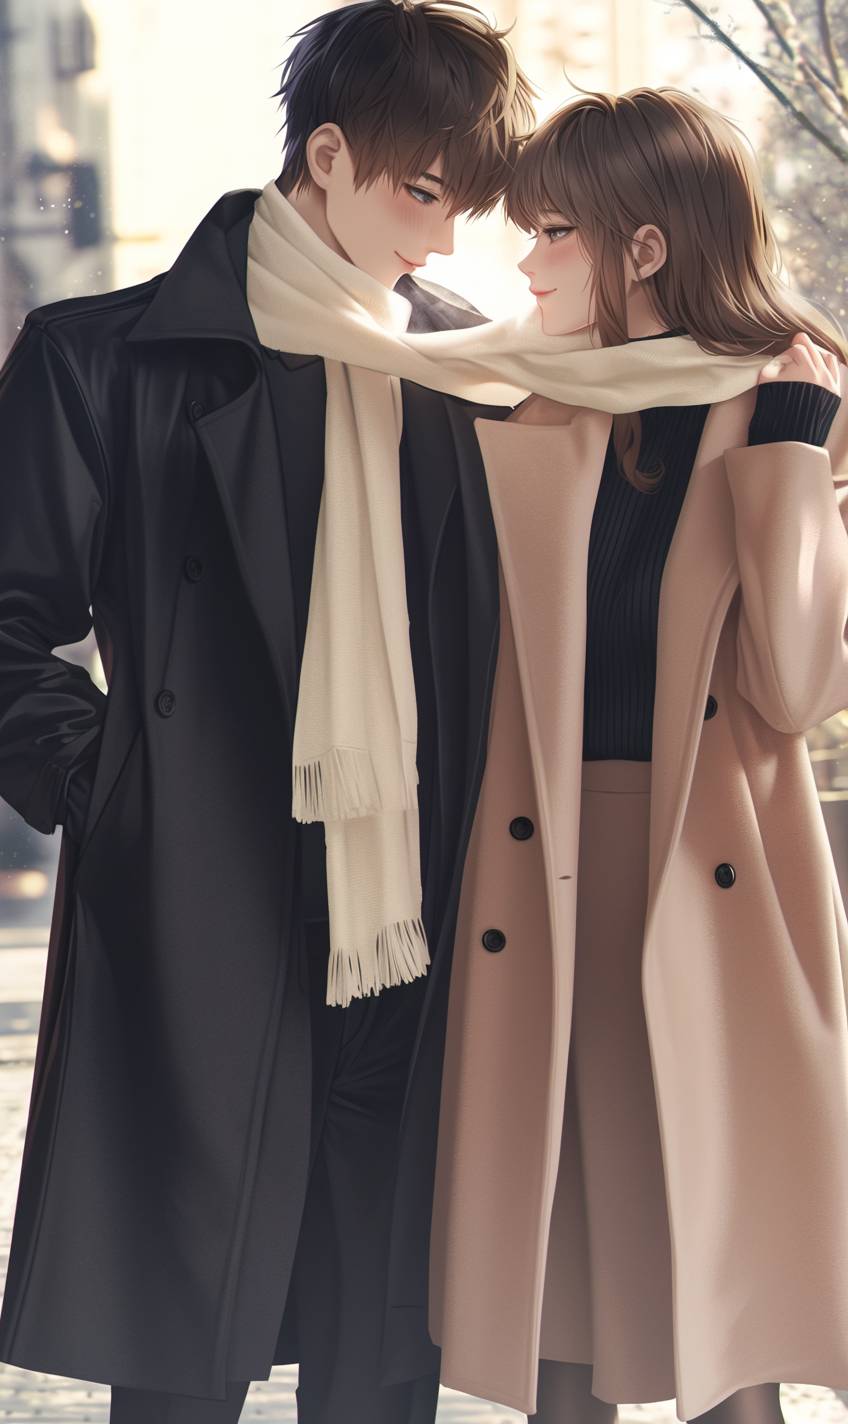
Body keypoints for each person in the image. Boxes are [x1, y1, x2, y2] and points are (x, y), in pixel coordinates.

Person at [0, 4, 534, 1422]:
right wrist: (115, 789)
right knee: (185, 1361)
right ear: (328, 153)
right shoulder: (103, 357)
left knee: (381, 1357)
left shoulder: (469, 376)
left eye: (464, 206)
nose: (443, 237)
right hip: (204, 903)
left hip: (418, 914)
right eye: (425, 193)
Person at [420, 87, 848, 1424]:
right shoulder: (520, 410)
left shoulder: (790, 410)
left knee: (728, 1329)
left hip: (711, 892)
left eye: (553, 230)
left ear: (645, 247)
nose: (525, 260)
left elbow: (791, 686)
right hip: (539, 889)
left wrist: (787, 464)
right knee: (565, 1335)